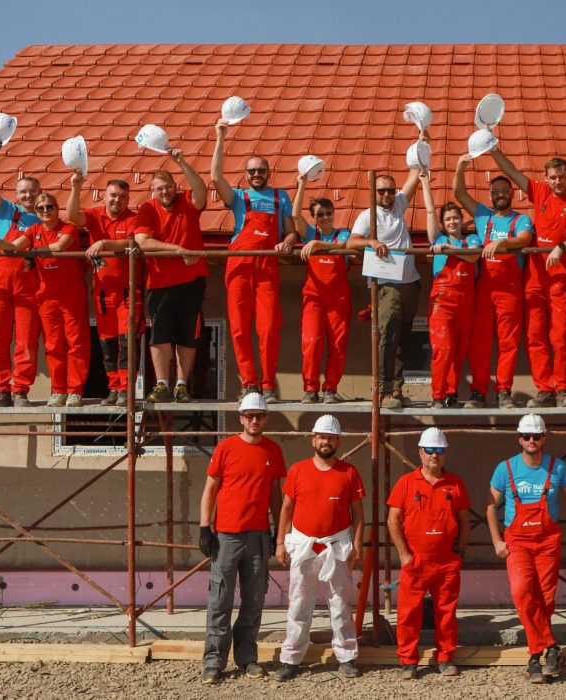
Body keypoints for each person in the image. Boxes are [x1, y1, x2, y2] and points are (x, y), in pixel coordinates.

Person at [489, 143, 566, 408]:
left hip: (559, 275)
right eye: (553, 177)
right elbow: (511, 171)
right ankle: (545, 389)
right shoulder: (541, 192)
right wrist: (492, 147)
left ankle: (564, 389)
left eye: (562, 177)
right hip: (534, 277)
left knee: (561, 334)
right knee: (534, 335)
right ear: (546, 178)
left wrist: (562, 246)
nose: (557, 182)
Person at [485, 414, 566, 684]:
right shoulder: (505, 468)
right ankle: (550, 647)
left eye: (537, 436)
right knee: (521, 592)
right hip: (517, 541)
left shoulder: (558, 467)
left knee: (546, 599)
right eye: (527, 436)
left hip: (547, 541)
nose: (532, 440)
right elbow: (489, 507)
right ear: (519, 438)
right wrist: (497, 541)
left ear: (544, 438)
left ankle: (535, 657)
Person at [197, 392, 286, 685]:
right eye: (249, 416)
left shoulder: (273, 451)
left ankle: (247, 658)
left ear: (265, 419)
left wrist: (277, 532)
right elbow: (210, 489)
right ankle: (213, 662)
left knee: (253, 601)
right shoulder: (226, 448)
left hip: (258, 536)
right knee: (219, 599)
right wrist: (204, 527)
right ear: (241, 419)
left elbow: (275, 494)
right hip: (226, 537)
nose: (254, 421)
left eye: (259, 416)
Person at [272, 414, 364, 681]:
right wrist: (280, 542)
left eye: (331, 437)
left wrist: (356, 545)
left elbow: (358, 513)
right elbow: (286, 509)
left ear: (338, 441)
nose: (325, 442)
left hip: (337, 546)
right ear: (313, 439)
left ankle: (347, 657)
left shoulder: (349, 472)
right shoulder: (298, 470)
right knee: (299, 605)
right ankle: (291, 658)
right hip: (304, 545)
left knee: (340, 605)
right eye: (321, 437)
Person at [212, 123, 299, 400]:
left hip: (267, 267)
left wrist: (288, 242)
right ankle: (249, 383)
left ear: (268, 173)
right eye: (252, 171)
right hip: (239, 265)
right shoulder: (238, 196)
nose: (257, 175)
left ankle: (268, 384)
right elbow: (215, 177)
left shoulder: (280, 196)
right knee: (238, 328)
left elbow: (292, 231)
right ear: (246, 175)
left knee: (269, 328)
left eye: (261, 170)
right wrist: (220, 137)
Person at [387, 427, 471, 680]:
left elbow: (464, 521)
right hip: (415, 560)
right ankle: (408, 660)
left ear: (445, 453)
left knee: (446, 612)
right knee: (408, 613)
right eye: (430, 450)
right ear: (421, 453)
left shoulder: (455, 483)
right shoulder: (406, 483)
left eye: (440, 450)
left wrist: (461, 552)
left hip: (446, 561)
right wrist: (404, 554)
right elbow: (393, 520)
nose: (435, 455)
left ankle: (445, 657)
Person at [346, 147, 425, 409]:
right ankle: (381, 390)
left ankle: (397, 389)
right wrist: (371, 241)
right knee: (387, 336)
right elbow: (350, 243)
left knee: (403, 335)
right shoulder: (368, 214)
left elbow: (414, 174)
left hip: (409, 280)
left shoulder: (399, 205)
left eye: (390, 190)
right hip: (386, 283)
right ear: (374, 193)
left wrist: (420, 141)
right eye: (381, 191)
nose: (387, 195)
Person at [453, 153, 533, 409]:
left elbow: (523, 239)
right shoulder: (482, 216)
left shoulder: (521, 219)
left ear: (511, 193)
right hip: (484, 290)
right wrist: (460, 168)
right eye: (495, 191)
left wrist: (502, 243)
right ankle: (478, 391)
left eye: (504, 191)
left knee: (509, 343)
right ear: (491, 195)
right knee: (479, 344)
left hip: (510, 291)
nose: (500, 194)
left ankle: (504, 392)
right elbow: (459, 193)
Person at [133, 147, 209, 404]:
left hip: (192, 281)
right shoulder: (148, 209)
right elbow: (143, 242)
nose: (164, 192)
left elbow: (201, 192)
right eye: (159, 188)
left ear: (175, 186)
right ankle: (162, 384)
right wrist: (178, 250)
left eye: (168, 187)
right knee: (160, 334)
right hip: (159, 283)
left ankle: (181, 385)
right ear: (153, 191)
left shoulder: (187, 200)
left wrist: (183, 162)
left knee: (188, 334)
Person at [70, 172, 144, 406]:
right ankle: (114, 387)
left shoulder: (133, 218)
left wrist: (103, 243)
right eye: (113, 195)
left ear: (127, 199)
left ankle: (126, 389)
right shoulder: (95, 214)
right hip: (102, 292)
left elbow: (131, 242)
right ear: (105, 196)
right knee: (107, 342)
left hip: (128, 292)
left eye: (122, 197)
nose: (117, 200)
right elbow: (72, 216)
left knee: (127, 341)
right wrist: (75, 187)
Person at [0, 139, 40, 408]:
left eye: (32, 192)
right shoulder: (7, 210)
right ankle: (1, 389)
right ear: (17, 194)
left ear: (39, 194)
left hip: (28, 278)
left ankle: (20, 390)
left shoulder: (44, 218)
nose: (27, 196)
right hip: (1, 275)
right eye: (23, 192)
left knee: (26, 337)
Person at [25, 192, 90, 407]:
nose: (45, 211)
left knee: (76, 343)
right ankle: (58, 389)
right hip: (47, 297)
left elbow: (59, 247)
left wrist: (33, 252)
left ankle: (75, 390)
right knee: (52, 345)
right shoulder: (34, 230)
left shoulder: (67, 228)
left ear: (57, 208)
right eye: (40, 208)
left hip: (71, 295)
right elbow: (13, 246)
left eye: (49, 207)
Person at [292, 171, 352, 405]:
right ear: (314, 218)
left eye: (329, 213)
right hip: (314, 298)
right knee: (311, 342)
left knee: (338, 344)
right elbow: (295, 215)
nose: (326, 217)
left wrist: (316, 244)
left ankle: (330, 389)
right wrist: (302, 184)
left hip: (338, 298)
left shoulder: (342, 234)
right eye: (320, 214)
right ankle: (310, 388)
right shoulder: (308, 232)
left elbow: (344, 245)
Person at [425, 173, 482, 409]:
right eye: (447, 219)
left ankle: (451, 392)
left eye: (455, 218)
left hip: (467, 301)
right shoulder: (437, 239)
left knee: (459, 351)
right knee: (443, 348)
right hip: (442, 301)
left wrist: (450, 250)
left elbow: (475, 255)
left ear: (461, 220)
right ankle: (438, 395)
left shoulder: (472, 240)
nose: (452, 222)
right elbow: (429, 212)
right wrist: (424, 183)